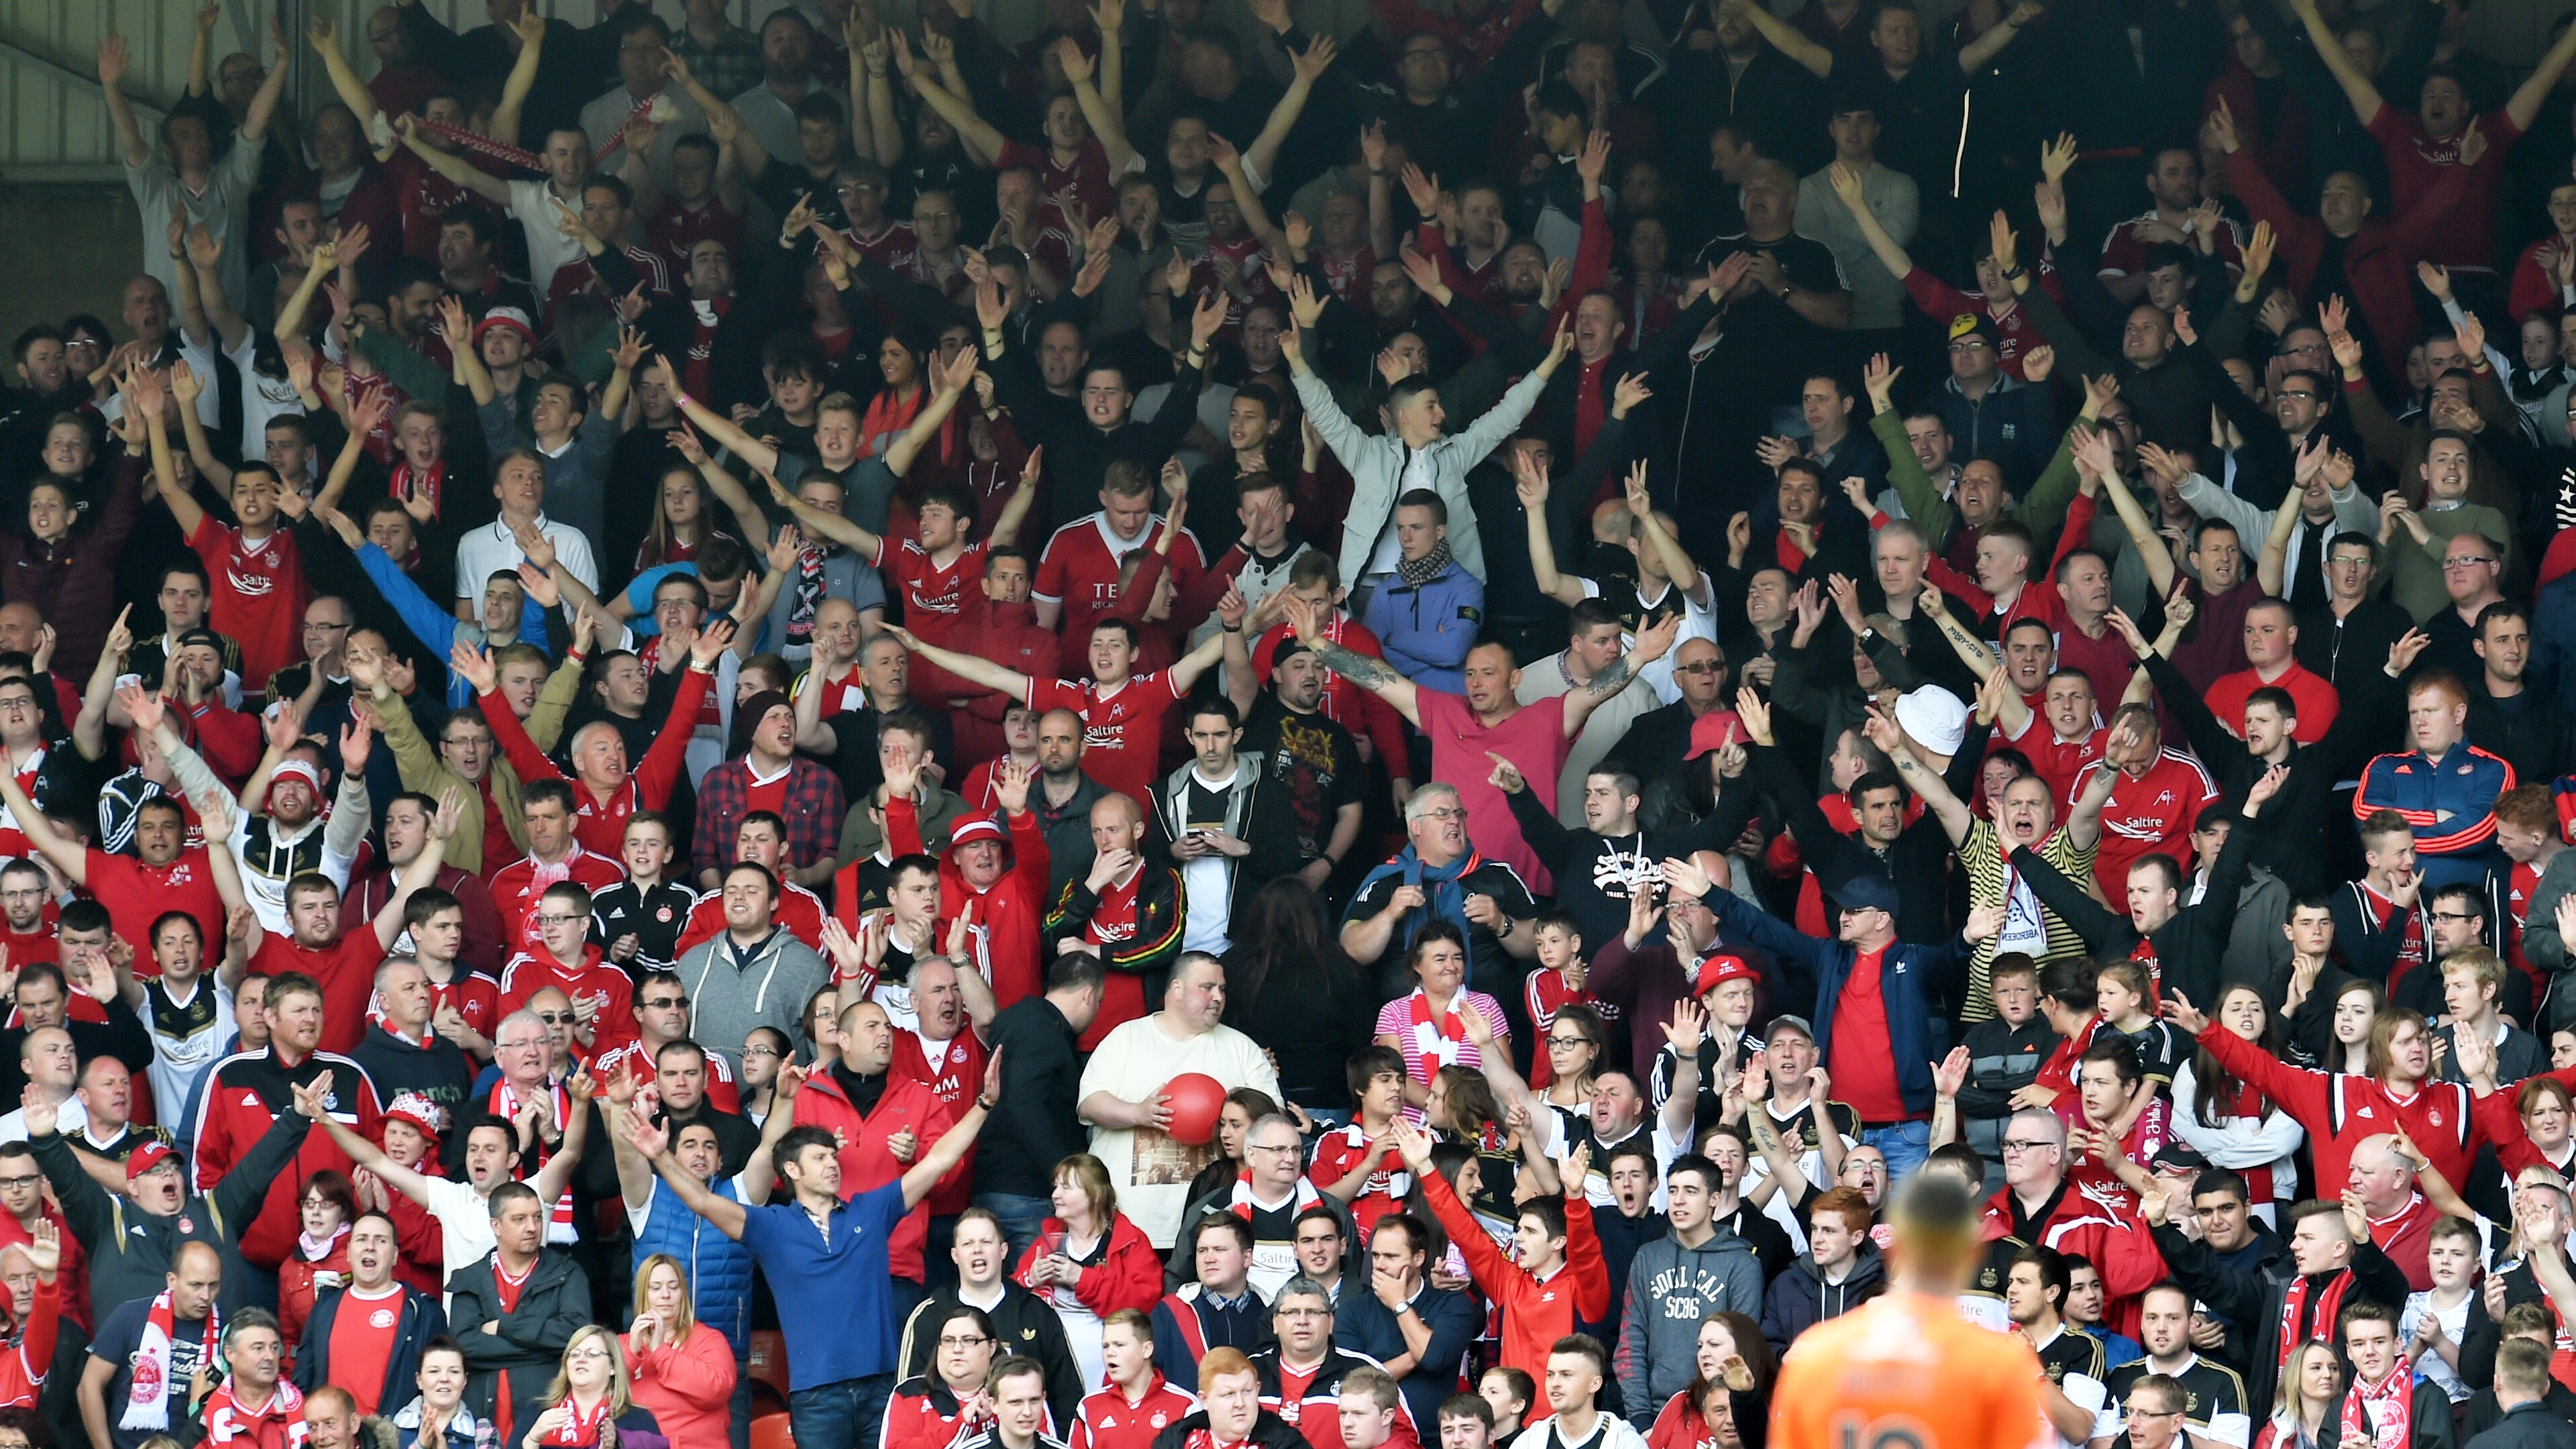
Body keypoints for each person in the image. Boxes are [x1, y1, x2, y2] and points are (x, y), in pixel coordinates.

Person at [628, 1033, 1000, 1449]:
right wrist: (660, 1156)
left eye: (833, 1156)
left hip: (881, 1388)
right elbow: (701, 1199)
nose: (832, 1164)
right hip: (817, 1398)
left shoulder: (869, 1211)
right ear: (793, 1170)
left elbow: (939, 1161)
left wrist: (983, 1104)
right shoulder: (772, 1226)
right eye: (820, 1158)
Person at [1396, 1116, 1606, 1376]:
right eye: (1519, 1230)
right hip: (1514, 1413)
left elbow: (1586, 1253)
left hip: (1562, 1415)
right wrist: (1426, 1168)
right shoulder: (1509, 1280)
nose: (1519, 1238)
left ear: (1558, 1242)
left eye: (1530, 1231)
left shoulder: (1582, 1287)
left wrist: (1574, 1197)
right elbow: (1463, 1230)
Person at [901, 1208, 1085, 1431]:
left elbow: (1068, 1396)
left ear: (1003, 1250)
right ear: (955, 1255)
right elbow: (908, 1400)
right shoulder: (928, 1317)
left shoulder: (1037, 1312)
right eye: (968, 1244)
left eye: (986, 1242)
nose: (977, 1250)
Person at [290, 1211, 447, 1419]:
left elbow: (439, 1384)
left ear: (394, 1256)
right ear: (348, 1252)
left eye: (381, 1240)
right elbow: (304, 1377)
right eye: (362, 1239)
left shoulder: (423, 1311)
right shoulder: (325, 1308)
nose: (370, 1247)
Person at [1332, 1212, 1478, 1430]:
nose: (1379, 1265)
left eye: (1391, 1257)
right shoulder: (1352, 1311)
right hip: (1373, 1440)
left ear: (1418, 1258)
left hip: (1433, 1440)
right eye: (1375, 1256)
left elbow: (1434, 1359)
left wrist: (1399, 1304)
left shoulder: (1453, 1305)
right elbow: (1354, 1386)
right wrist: (1419, 1351)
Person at [620, 1254, 742, 1448]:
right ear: (643, 1293)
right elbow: (594, 1393)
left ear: (683, 1293)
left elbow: (717, 1389)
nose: (665, 1295)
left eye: (674, 1287)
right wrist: (631, 1353)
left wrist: (661, 1354)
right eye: (656, 1287)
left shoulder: (708, 1339)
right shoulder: (623, 1344)